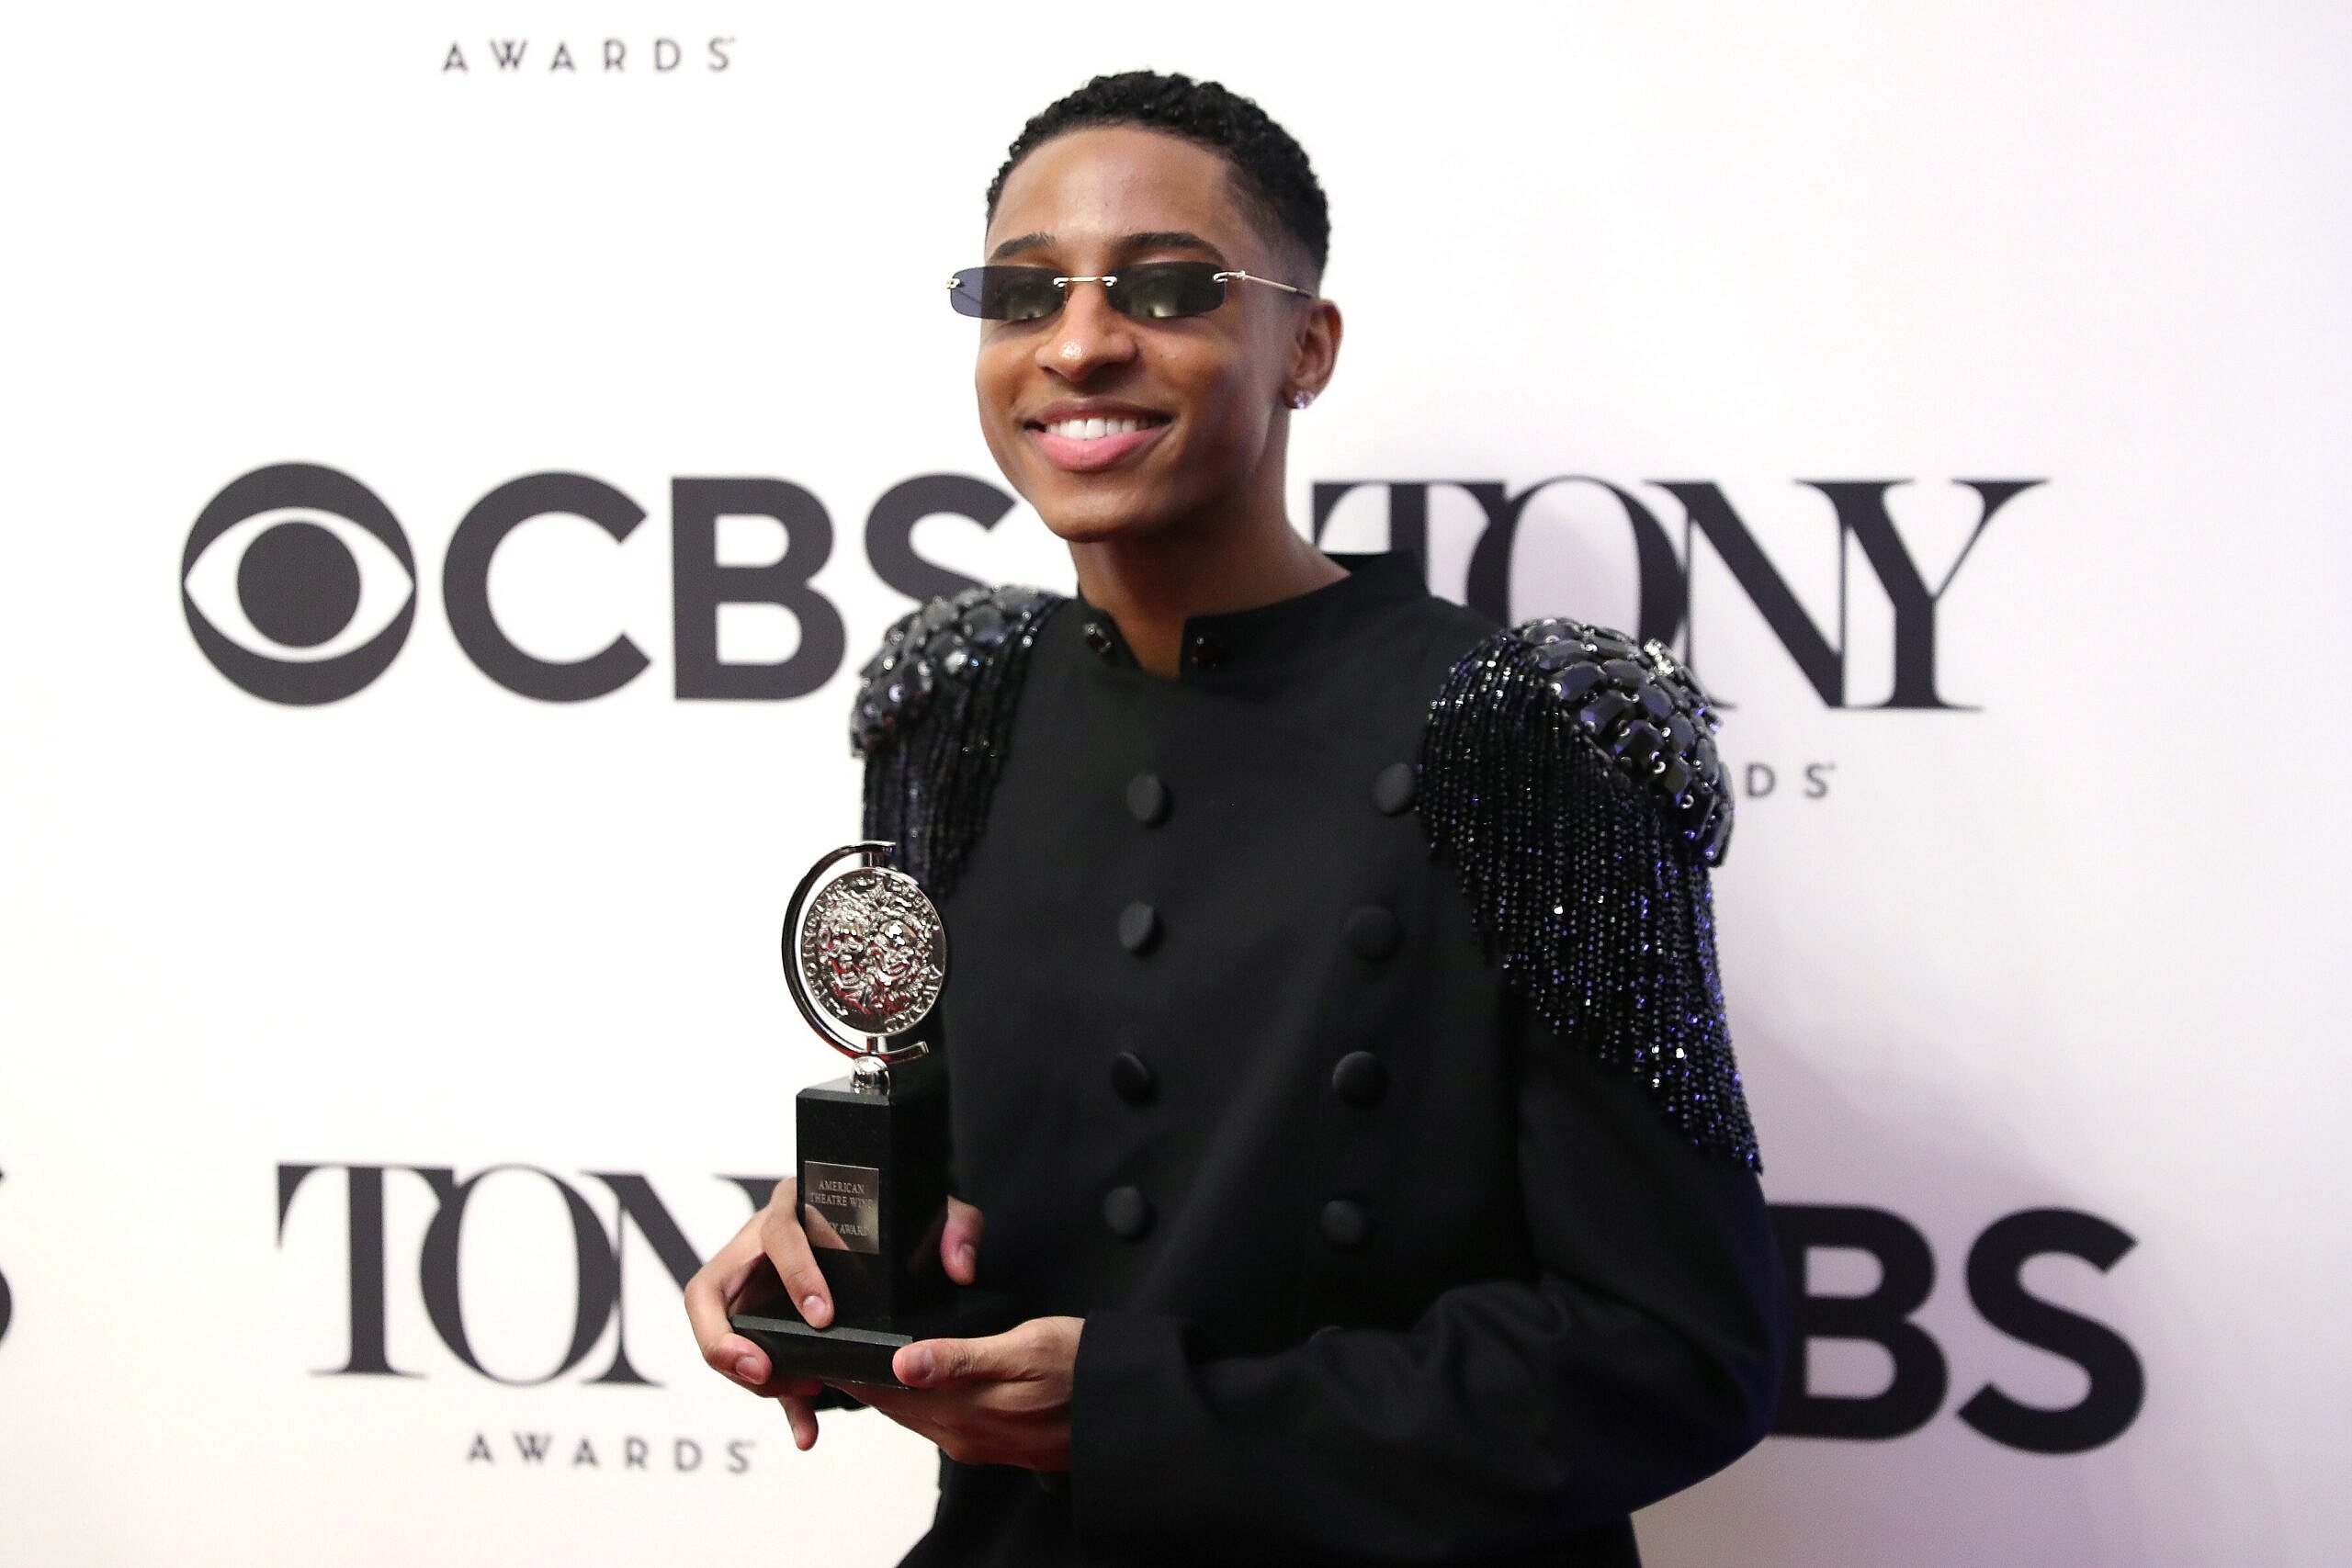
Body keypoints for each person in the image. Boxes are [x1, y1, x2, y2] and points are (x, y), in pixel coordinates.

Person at [684, 69, 1787, 1567]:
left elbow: (1678, 1354)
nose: (1079, 342)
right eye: (1023, 294)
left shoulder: (1525, 734)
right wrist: (837, 1261)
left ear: (1305, 348)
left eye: (1166, 287)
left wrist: (1140, 1414)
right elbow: (973, 1184)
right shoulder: (953, 704)